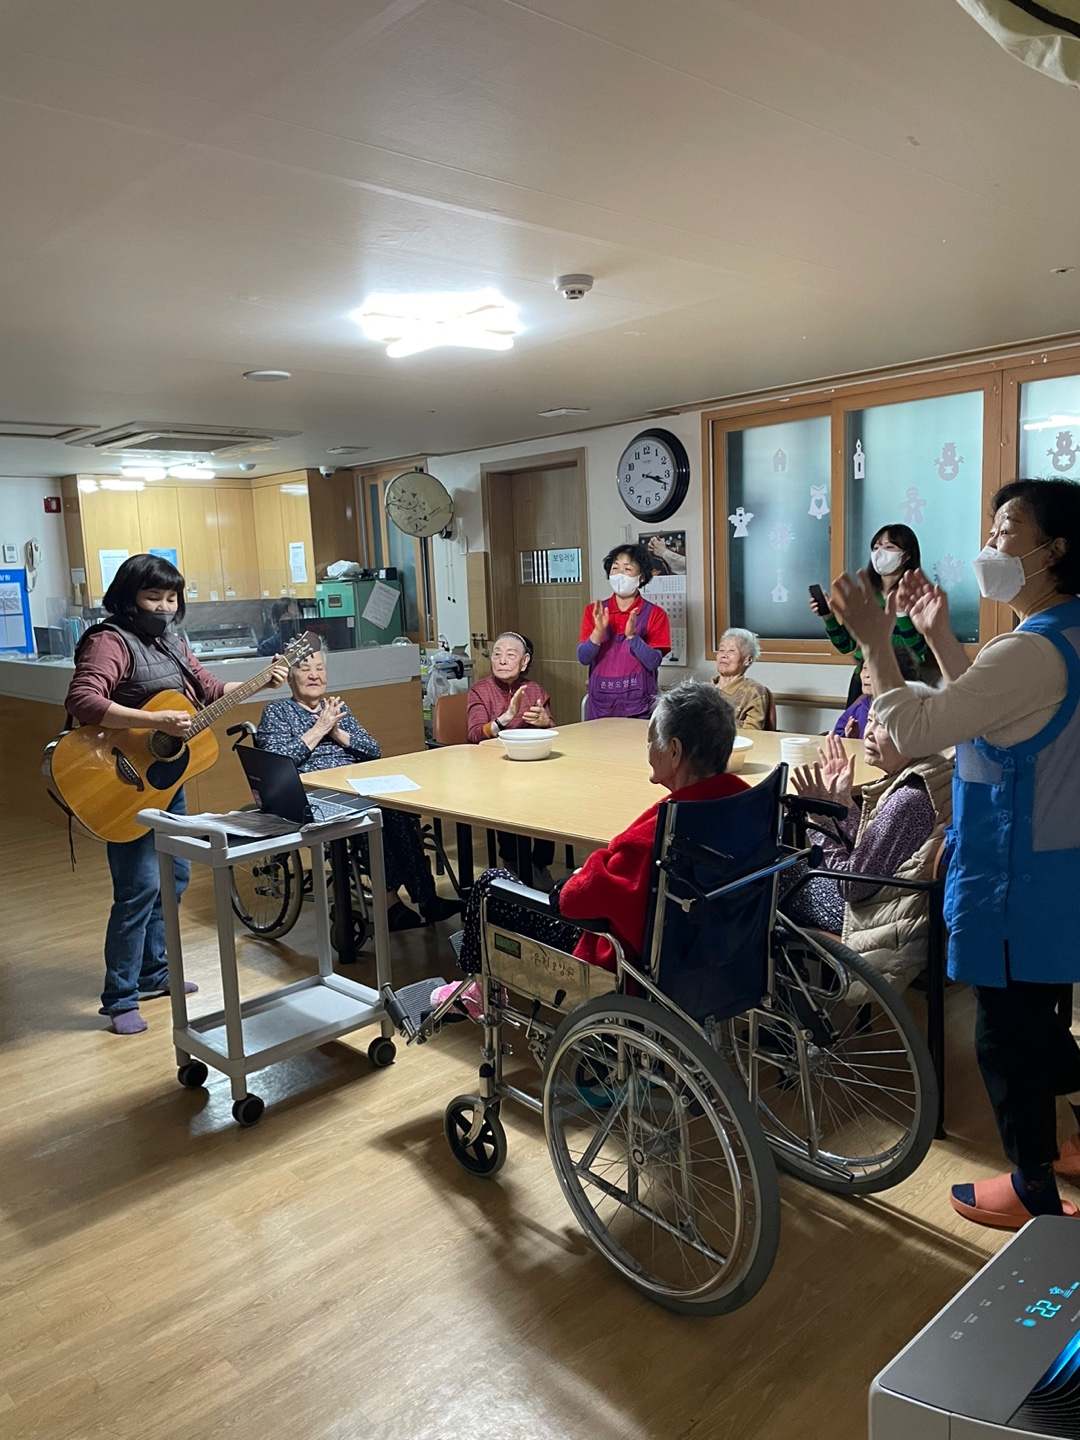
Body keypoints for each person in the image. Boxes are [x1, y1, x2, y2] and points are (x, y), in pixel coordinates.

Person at [830, 478, 1080, 1230]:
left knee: (1004, 1035)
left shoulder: (1030, 650)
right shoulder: (1064, 634)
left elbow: (915, 732)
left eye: (1005, 531)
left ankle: (1034, 1190)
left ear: (1053, 550)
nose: (989, 546)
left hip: (1010, 874)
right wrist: (938, 635)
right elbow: (992, 709)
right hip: (1054, 868)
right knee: (1039, 1018)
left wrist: (876, 640)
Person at [64, 553, 289, 1035]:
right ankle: (120, 998)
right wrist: (155, 721)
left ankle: (154, 973)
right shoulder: (109, 641)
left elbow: (208, 689)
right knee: (138, 888)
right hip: (121, 781)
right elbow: (83, 700)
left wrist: (260, 682)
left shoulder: (171, 642)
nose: (165, 607)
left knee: (176, 878)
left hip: (166, 779)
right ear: (129, 597)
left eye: (171, 598)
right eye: (154, 597)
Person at [431, 682, 747, 1015]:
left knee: (491, 885)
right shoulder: (744, 805)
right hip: (716, 953)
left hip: (625, 960)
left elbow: (573, 901)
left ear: (674, 751)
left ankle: (474, 991)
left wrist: (583, 873)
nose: (648, 748)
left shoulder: (662, 834)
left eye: (651, 740)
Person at [257, 648, 462, 931]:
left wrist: (337, 732)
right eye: (305, 669)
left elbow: (373, 750)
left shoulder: (337, 708)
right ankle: (389, 902)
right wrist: (319, 729)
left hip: (355, 784)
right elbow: (276, 763)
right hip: (314, 793)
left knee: (396, 811)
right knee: (367, 818)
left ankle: (426, 897)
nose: (314, 675)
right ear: (290, 677)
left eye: (320, 668)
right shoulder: (277, 712)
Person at [785, 723, 952, 990]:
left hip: (881, 919)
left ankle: (791, 997)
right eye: (870, 721)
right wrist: (843, 803)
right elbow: (877, 855)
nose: (869, 733)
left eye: (883, 724)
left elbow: (851, 886)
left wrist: (818, 822)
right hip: (907, 907)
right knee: (788, 869)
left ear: (914, 733)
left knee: (776, 879)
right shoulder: (936, 771)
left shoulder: (907, 800)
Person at [465, 630, 556, 885]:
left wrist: (545, 722)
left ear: (524, 662)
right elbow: (474, 734)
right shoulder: (479, 690)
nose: (502, 660)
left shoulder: (535, 689)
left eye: (510, 655)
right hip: (494, 770)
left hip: (533, 768)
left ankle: (539, 864)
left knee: (551, 796)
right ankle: (512, 864)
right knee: (507, 798)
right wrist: (504, 719)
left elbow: (552, 728)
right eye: (497, 654)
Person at [810, 523, 929, 704]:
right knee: (854, 722)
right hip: (864, 679)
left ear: (907, 555)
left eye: (889, 547)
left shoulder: (919, 594)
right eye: (876, 547)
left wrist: (902, 614)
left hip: (902, 680)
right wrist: (828, 617)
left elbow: (919, 650)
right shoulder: (865, 596)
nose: (880, 553)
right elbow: (846, 645)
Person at [578, 543, 671, 720]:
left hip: (639, 708)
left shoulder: (656, 614)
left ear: (641, 577)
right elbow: (583, 658)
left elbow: (653, 662)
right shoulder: (595, 611)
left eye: (627, 569)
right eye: (615, 568)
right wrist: (598, 632)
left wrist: (632, 637)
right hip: (600, 708)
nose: (619, 574)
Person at [833, 648, 920, 738]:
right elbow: (837, 736)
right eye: (865, 668)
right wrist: (850, 738)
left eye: (874, 669)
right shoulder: (858, 707)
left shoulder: (908, 711)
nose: (867, 675)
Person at [712, 627, 770, 730]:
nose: (724, 655)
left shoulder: (752, 691)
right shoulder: (704, 690)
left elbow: (752, 734)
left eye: (731, 650)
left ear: (748, 660)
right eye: (721, 650)